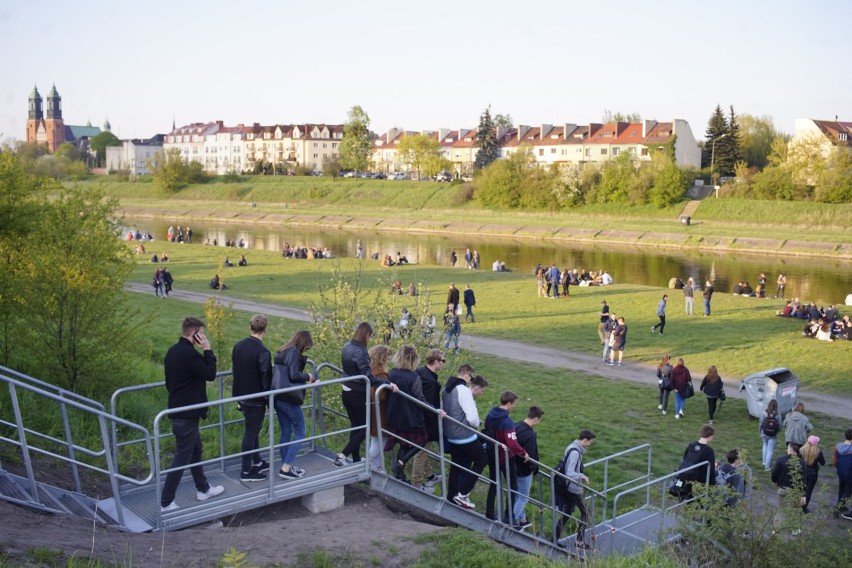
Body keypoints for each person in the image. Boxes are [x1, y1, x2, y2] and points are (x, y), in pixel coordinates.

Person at [160, 317, 222, 512]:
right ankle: (166, 502)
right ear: (194, 333)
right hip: (186, 414)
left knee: (196, 450)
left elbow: (169, 382)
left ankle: (203, 489)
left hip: (180, 410)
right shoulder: (190, 355)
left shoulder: (172, 351)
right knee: (182, 456)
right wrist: (207, 349)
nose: (203, 336)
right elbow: (210, 373)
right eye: (202, 333)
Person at [336, 323, 397, 467]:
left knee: (356, 427)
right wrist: (386, 383)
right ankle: (342, 456)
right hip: (357, 393)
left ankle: (355, 460)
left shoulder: (347, 346)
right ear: (367, 335)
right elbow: (367, 376)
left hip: (346, 390)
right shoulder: (361, 351)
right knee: (364, 428)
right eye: (370, 336)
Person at [231, 315, 273, 482]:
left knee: (253, 430)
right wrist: (269, 400)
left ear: (250, 328)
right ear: (265, 330)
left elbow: (235, 369)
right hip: (255, 398)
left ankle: (257, 461)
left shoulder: (238, 346)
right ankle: (246, 471)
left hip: (241, 395)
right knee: (251, 432)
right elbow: (265, 379)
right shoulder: (263, 352)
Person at [442, 364, 485, 509]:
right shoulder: (463, 390)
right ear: (467, 374)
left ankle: (451, 495)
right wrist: (476, 425)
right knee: (481, 460)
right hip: (464, 435)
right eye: (471, 377)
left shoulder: (446, 389)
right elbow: (472, 417)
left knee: (456, 465)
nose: (470, 380)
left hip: (451, 434)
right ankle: (463, 493)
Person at [483, 391, 529, 523]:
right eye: (514, 404)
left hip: (492, 455)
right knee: (512, 486)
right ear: (508, 403)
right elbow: (512, 443)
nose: (514, 406)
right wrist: (523, 453)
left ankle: (489, 513)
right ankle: (509, 516)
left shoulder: (490, 415)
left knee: (494, 484)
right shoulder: (507, 422)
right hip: (505, 458)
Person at [273, 330, 313, 479]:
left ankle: (286, 465)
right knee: (300, 431)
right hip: (289, 398)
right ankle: (286, 468)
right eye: (307, 347)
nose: (306, 349)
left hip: (278, 396)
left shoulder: (282, 350)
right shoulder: (294, 352)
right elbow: (293, 375)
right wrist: (308, 376)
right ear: (303, 343)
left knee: (285, 431)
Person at [386, 345, 428, 483]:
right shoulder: (414, 377)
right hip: (410, 418)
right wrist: (434, 408)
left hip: (394, 415)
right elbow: (419, 398)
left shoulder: (392, 373)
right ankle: (400, 463)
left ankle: (400, 474)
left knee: (404, 444)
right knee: (421, 441)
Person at [554, 430, 596, 549]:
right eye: (590, 442)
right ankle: (578, 541)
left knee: (568, 514)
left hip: (569, 487)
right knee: (585, 512)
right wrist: (582, 476)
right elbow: (570, 472)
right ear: (585, 440)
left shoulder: (571, 447)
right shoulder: (575, 452)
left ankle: (556, 539)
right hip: (573, 488)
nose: (590, 444)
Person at [412, 349, 445, 491]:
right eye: (443, 361)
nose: (443, 364)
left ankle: (430, 476)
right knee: (421, 451)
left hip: (416, 418)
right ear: (436, 361)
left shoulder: (419, 372)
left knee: (424, 449)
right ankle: (417, 483)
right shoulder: (431, 382)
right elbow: (429, 405)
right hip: (425, 422)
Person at [512, 406, 543, 531]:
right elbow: (530, 455)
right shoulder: (529, 434)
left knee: (516, 494)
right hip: (524, 471)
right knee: (523, 497)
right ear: (536, 418)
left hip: (513, 466)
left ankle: (522, 519)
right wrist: (533, 468)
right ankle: (513, 520)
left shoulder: (517, 425)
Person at [367, 344, 392, 471]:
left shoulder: (370, 370)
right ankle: (369, 461)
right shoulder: (382, 374)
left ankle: (378, 467)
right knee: (381, 439)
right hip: (380, 412)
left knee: (375, 438)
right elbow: (381, 396)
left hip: (370, 409)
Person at [675, 425, 717, 502]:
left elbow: (684, 459)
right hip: (699, 483)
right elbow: (711, 471)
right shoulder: (708, 451)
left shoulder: (691, 446)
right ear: (710, 436)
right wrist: (712, 485)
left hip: (686, 479)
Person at [771, 442, 805, 533]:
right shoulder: (801, 463)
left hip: (782, 489)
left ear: (790, 449)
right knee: (795, 510)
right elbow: (804, 479)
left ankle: (775, 530)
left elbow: (774, 474)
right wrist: (803, 494)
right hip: (795, 491)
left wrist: (775, 481)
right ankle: (795, 529)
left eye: (788, 448)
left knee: (781, 510)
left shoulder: (781, 460)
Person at [800, 435, 825, 513]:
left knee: (801, 489)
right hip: (813, 474)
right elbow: (823, 463)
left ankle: (797, 504)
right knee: (808, 491)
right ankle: (804, 508)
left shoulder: (801, 450)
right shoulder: (818, 452)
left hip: (802, 472)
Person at [833, 428, 852, 519]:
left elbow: (835, 461)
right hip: (850, 474)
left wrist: (839, 468)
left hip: (841, 472)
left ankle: (840, 505)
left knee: (841, 489)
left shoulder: (837, 446)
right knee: (848, 492)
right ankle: (838, 508)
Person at [760, 399, 782, 471]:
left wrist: (760, 430)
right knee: (770, 450)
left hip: (764, 433)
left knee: (765, 446)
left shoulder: (764, 413)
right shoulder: (778, 415)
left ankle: (764, 462)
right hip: (773, 435)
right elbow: (780, 426)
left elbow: (761, 422)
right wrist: (777, 431)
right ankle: (767, 467)